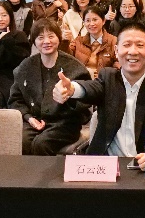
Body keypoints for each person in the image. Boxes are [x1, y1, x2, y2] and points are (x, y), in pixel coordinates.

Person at [53, 21, 145, 164]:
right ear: (116, 50)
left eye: (140, 45)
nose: (133, 51)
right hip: (106, 165)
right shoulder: (107, 78)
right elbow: (91, 88)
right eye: (126, 45)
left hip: (144, 164)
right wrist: (72, 89)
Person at [8, 19, 93, 155]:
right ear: (34, 42)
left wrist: (68, 97)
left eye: (51, 36)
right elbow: (15, 99)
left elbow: (86, 101)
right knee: (22, 141)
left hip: (65, 123)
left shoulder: (75, 67)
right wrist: (28, 117)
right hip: (34, 120)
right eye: (40, 38)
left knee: (41, 144)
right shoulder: (26, 66)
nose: (46, 41)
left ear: (59, 38)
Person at [69, 6, 118, 78]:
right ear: (84, 23)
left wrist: (105, 76)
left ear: (103, 21)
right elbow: (66, 57)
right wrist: (64, 41)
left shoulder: (114, 41)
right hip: (82, 80)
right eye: (88, 20)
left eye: (95, 20)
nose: (91, 24)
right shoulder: (78, 41)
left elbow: (118, 65)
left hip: (104, 81)